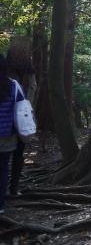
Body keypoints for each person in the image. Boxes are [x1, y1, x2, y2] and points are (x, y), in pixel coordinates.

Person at [7, 50, 36, 196]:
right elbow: (31, 96)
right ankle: (13, 188)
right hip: (22, 123)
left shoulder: (6, 75)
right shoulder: (29, 76)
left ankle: (7, 188)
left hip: (6, 124)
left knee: (5, 158)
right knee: (18, 156)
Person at [0, 54, 24, 214]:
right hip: (7, 135)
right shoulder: (13, 86)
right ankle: (0, 205)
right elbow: (22, 106)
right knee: (2, 168)